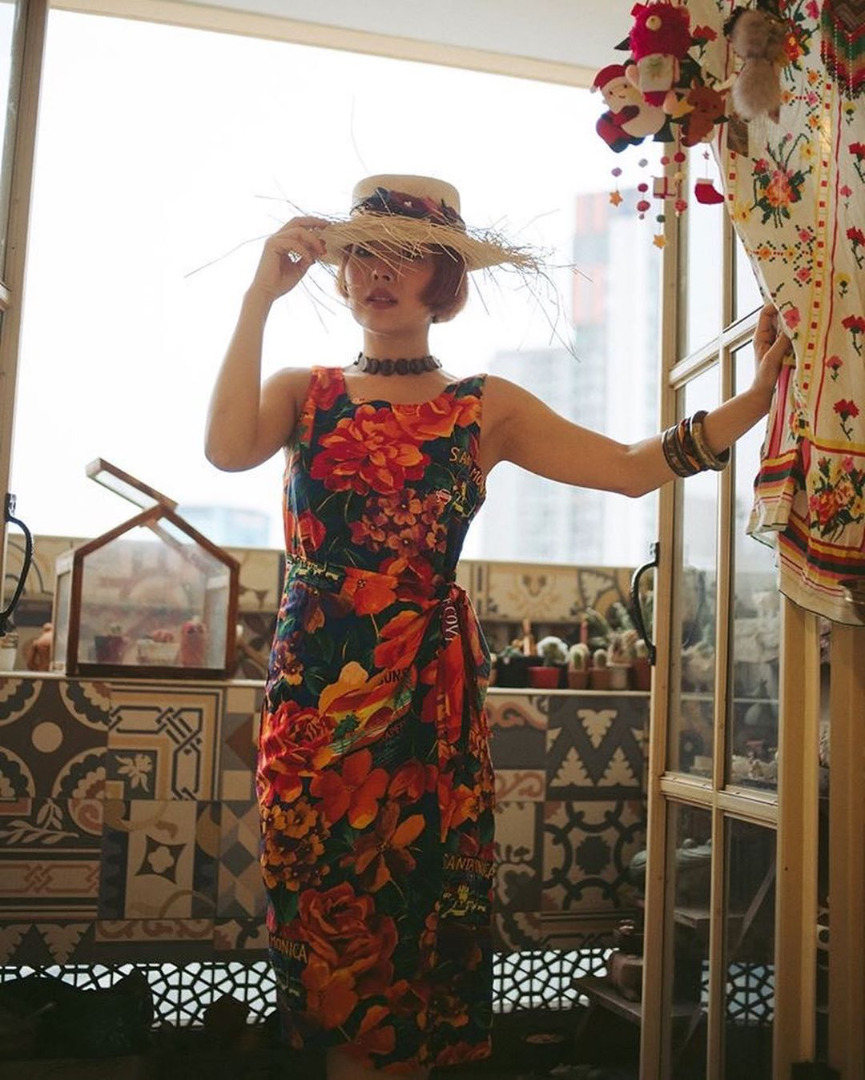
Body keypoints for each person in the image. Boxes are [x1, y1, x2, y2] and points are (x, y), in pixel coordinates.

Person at [205, 174, 790, 1079]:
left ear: (444, 279)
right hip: (312, 700)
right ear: (340, 272)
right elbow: (225, 450)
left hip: (423, 705)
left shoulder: (485, 407)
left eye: (405, 255)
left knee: (411, 920)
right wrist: (259, 294)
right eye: (362, 254)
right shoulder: (301, 391)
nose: (378, 272)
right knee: (321, 924)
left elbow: (628, 468)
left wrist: (751, 403)